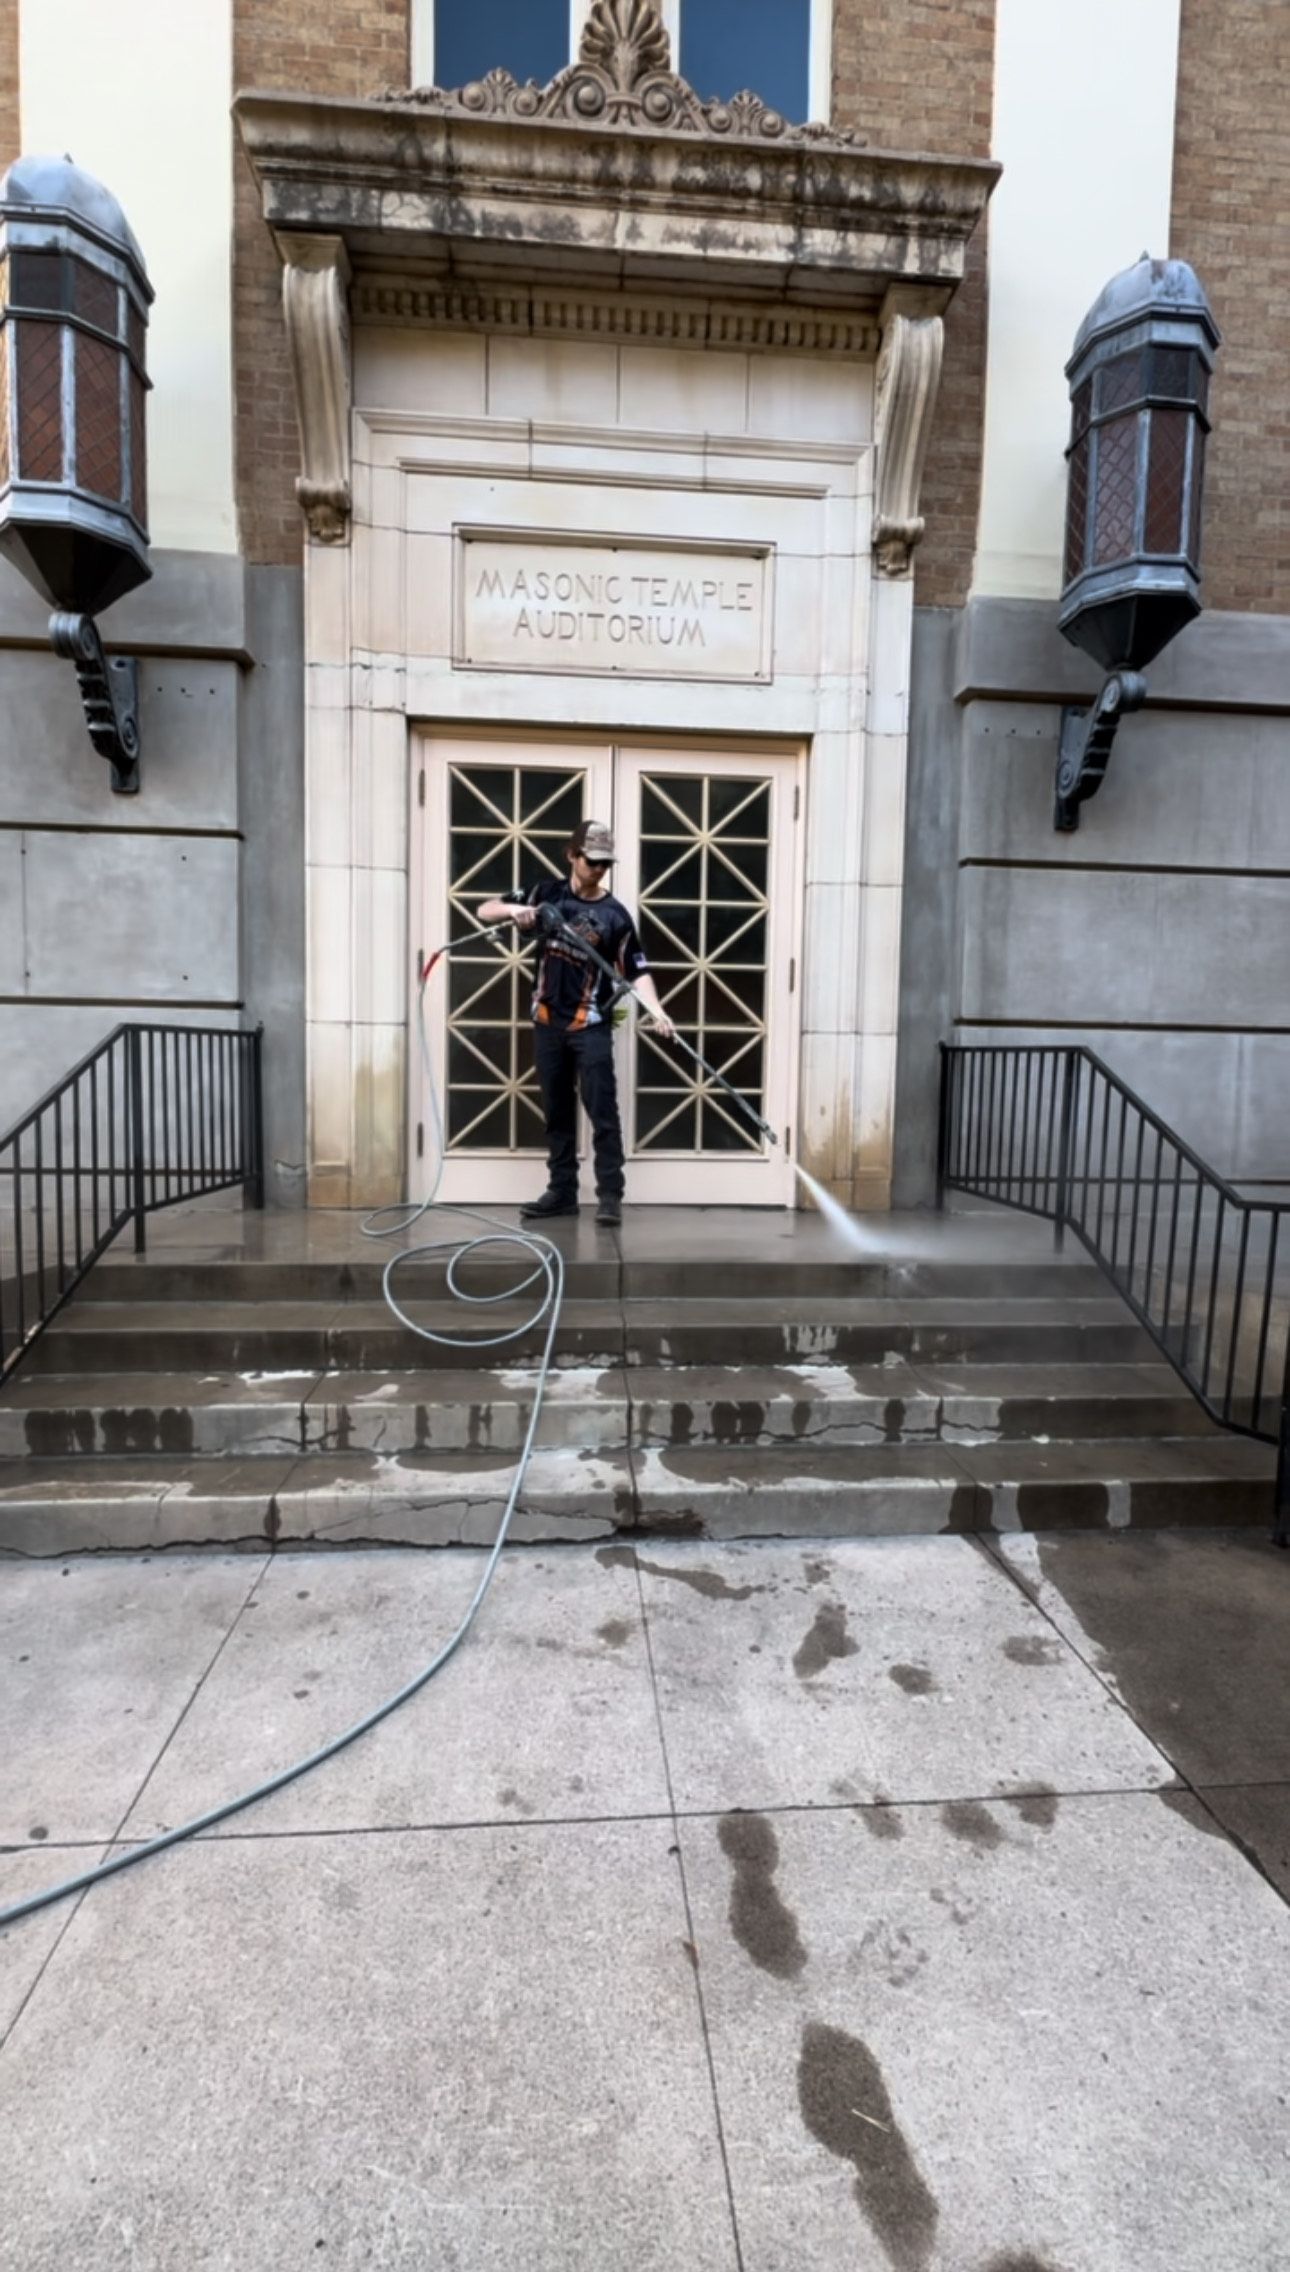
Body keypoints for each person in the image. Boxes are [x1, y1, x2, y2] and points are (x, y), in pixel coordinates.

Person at [477, 818, 675, 1224]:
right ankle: (562, 1192)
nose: (598, 869)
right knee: (557, 1110)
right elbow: (484, 910)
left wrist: (656, 1009)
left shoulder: (615, 915)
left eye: (605, 863)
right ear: (572, 855)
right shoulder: (544, 894)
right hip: (548, 1023)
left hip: (591, 1025)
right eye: (591, 860)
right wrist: (518, 911)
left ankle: (609, 1197)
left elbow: (638, 969)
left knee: (603, 1110)